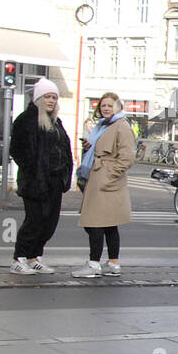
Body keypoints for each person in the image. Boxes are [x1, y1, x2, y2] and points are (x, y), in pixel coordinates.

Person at [7, 77, 73, 275]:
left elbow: (63, 147)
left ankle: (34, 256)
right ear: (38, 98)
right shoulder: (26, 119)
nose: (51, 101)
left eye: (54, 97)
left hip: (54, 180)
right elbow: (17, 149)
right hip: (36, 180)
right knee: (35, 220)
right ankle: (18, 258)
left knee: (49, 222)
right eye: (47, 97)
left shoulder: (56, 122)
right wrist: (32, 168)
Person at [71, 92, 135, 278]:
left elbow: (127, 157)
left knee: (95, 223)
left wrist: (108, 176)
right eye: (103, 105)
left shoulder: (121, 126)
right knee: (108, 224)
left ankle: (94, 264)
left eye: (110, 105)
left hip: (105, 180)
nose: (106, 108)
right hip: (98, 176)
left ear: (118, 107)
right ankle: (113, 263)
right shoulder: (104, 125)